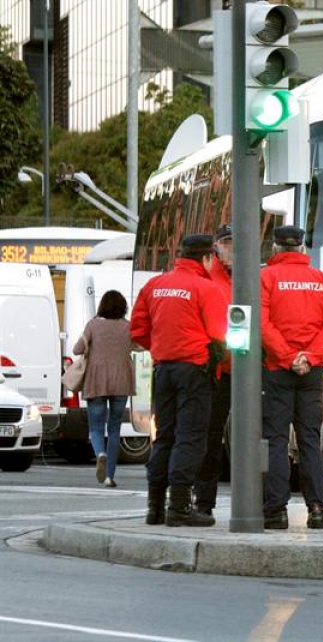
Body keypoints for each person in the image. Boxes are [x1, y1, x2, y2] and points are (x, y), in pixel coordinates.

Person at [130, 234, 227, 528]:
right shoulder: (206, 288)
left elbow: (137, 331)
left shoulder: (154, 286)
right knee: (191, 438)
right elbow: (219, 333)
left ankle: (155, 507)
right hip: (194, 370)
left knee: (164, 438)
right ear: (207, 258)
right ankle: (180, 507)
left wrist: (162, 346)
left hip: (163, 370)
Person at [260, 225, 323, 530]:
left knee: (276, 441)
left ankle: (276, 511)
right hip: (312, 372)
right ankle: (316, 508)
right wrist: (309, 357)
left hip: (276, 371)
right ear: (302, 249)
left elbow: (262, 322)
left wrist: (286, 356)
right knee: (310, 440)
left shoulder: (266, 278)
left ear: (275, 249)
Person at [73, 290, 139, 488]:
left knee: (95, 427)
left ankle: (99, 452)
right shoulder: (128, 327)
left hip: (97, 381)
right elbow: (140, 345)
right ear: (123, 307)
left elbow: (77, 349)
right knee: (115, 427)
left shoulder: (93, 325)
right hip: (121, 381)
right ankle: (110, 476)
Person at [193, 224, 233, 515]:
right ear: (216, 247)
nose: (233, 248)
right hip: (217, 370)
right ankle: (203, 500)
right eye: (227, 243)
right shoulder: (208, 278)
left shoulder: (253, 275)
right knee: (209, 434)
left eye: (237, 242)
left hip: (247, 369)